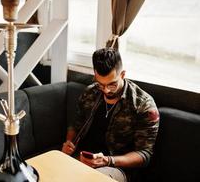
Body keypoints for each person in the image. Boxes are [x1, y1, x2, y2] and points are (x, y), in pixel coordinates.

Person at [62, 48, 159, 182]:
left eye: (112, 84)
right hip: (83, 157)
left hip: (117, 167)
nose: (106, 90)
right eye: (101, 84)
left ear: (123, 74)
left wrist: (107, 160)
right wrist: (69, 142)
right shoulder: (91, 92)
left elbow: (144, 154)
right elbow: (75, 124)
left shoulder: (143, 105)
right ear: (95, 75)